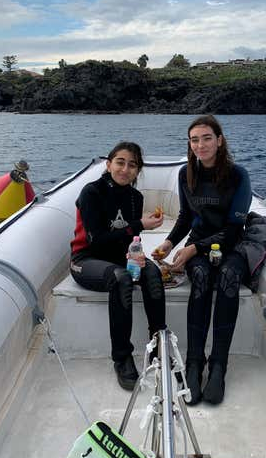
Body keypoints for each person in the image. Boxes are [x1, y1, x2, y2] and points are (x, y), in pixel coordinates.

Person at [152, 115, 251, 405]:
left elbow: (234, 229)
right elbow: (185, 217)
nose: (201, 145)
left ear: (219, 140)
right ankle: (195, 362)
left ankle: (218, 365)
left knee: (229, 278)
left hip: (230, 245)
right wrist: (170, 243)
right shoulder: (186, 174)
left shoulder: (238, 175)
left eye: (207, 138)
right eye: (194, 139)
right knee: (203, 279)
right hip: (198, 244)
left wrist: (193, 250)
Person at [70, 142, 166, 390]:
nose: (125, 169)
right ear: (109, 164)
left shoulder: (136, 197)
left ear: (137, 171)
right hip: (86, 260)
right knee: (122, 278)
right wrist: (140, 225)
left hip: (120, 258)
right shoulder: (92, 192)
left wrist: (138, 255)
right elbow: (98, 240)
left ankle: (158, 347)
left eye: (132, 165)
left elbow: (130, 239)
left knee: (153, 273)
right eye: (120, 162)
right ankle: (122, 358)